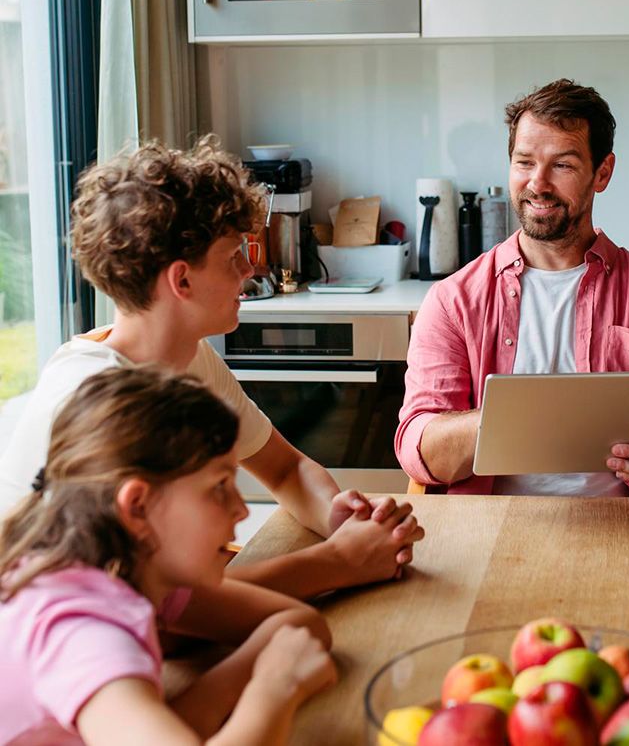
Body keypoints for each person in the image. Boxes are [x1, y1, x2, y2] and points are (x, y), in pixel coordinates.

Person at [0, 139, 423, 600]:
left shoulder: (191, 358)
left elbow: (284, 469)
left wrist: (337, 517)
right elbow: (160, 605)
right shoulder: (99, 398)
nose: (249, 269)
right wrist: (340, 562)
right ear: (181, 279)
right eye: (233, 256)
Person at [396, 79, 629, 497]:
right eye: (524, 162)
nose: (537, 184)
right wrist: (515, 417)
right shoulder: (453, 301)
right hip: (490, 532)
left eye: (562, 165)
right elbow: (421, 449)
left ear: (603, 173)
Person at [0, 366, 337, 745]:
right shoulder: (83, 633)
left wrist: (195, 710)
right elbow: (290, 643)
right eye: (220, 486)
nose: (241, 510)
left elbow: (298, 625)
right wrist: (275, 688)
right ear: (139, 506)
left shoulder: (131, 568)